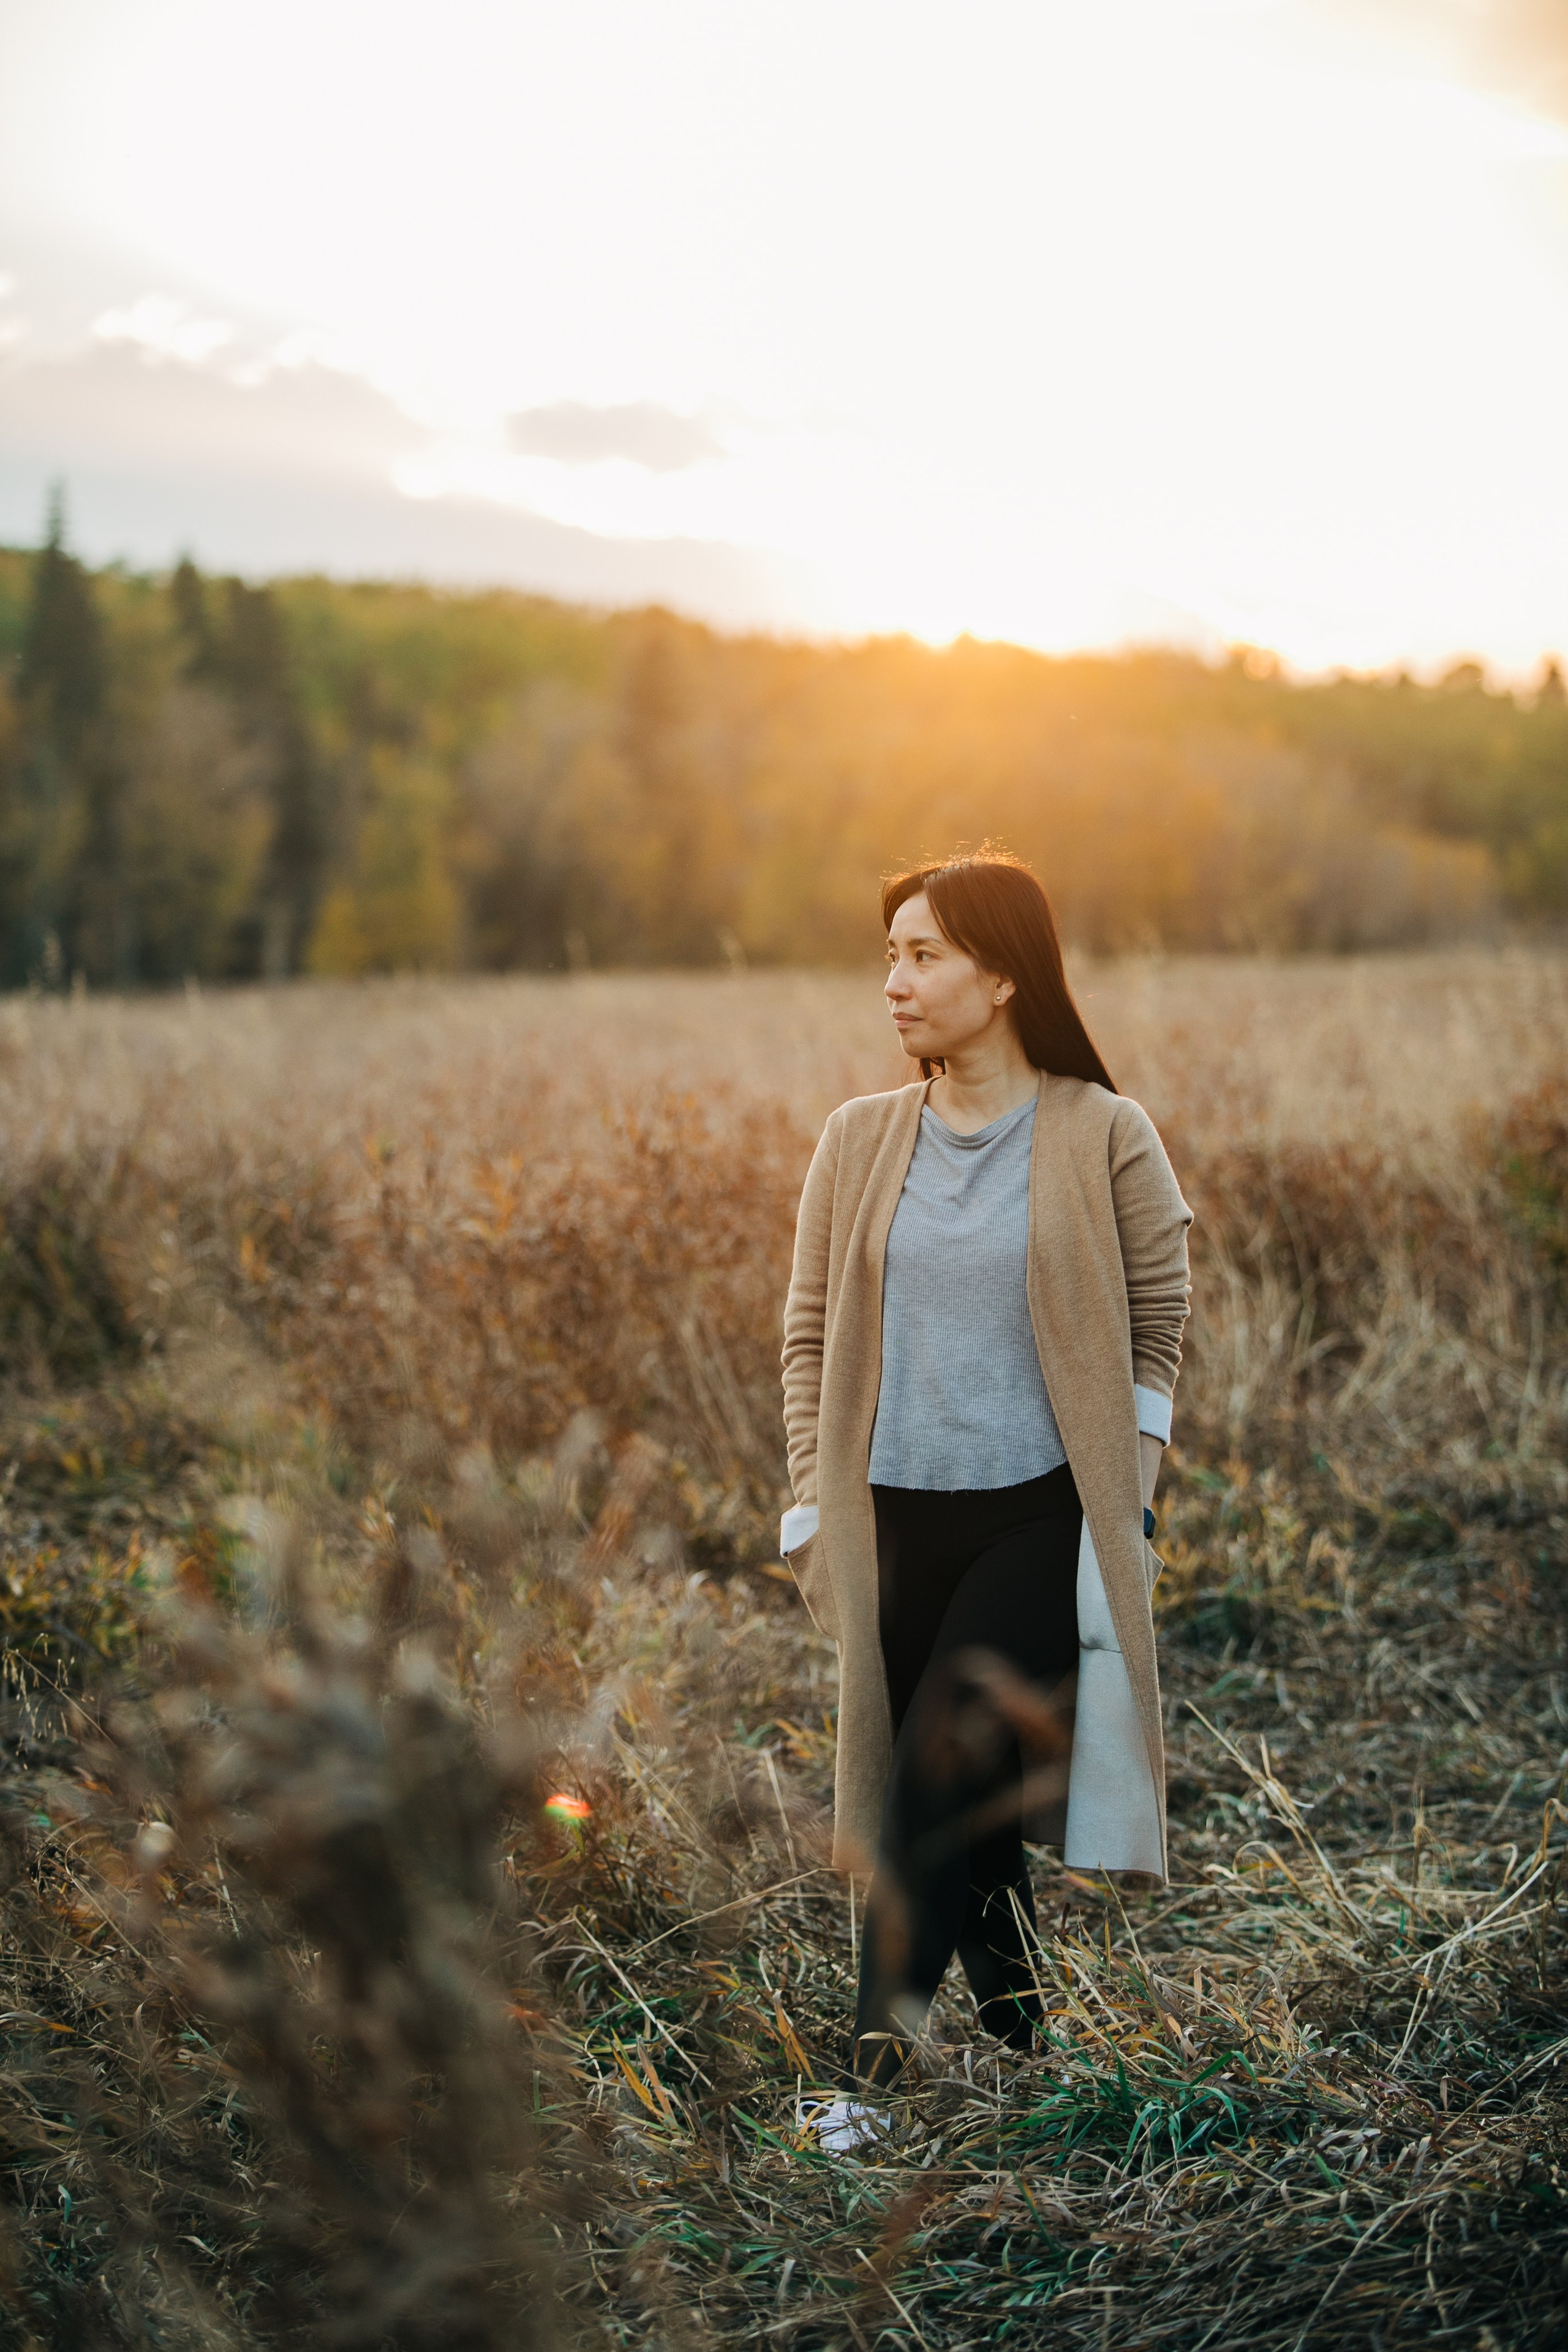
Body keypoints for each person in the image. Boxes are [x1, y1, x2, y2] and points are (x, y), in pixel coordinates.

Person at [779, 849, 1191, 2148]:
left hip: (1036, 1512)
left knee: (928, 1776)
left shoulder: (1100, 1132)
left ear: (1000, 974)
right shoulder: (857, 1140)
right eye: (888, 953)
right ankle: (1028, 2056)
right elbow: (804, 1337)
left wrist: (1124, 1498)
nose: (892, 981)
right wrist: (809, 1498)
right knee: (977, 1819)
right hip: (889, 1521)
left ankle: (863, 2084)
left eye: (922, 954)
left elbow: (1156, 1328)